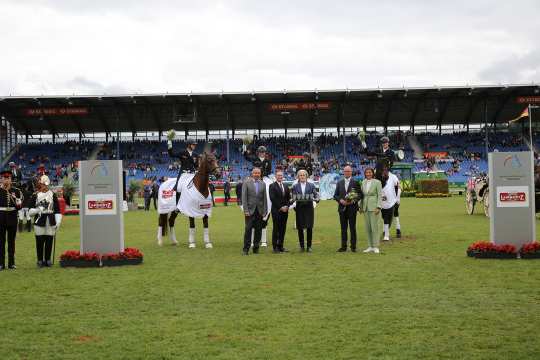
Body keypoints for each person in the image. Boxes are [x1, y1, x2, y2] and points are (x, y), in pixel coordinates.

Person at [28, 175, 62, 267]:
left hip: (50, 219)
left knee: (49, 240)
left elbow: (57, 210)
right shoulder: (35, 195)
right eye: (43, 184)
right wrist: (38, 210)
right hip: (40, 220)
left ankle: (47, 259)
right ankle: (40, 260)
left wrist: (58, 221)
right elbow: (30, 211)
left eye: (46, 185)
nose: (45, 186)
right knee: (39, 241)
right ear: (40, 184)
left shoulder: (52, 194)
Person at [244, 145, 273, 247]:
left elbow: (269, 170)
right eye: (260, 152)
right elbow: (246, 157)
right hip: (255, 177)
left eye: (263, 152)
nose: (262, 153)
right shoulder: (255, 159)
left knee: (271, 186)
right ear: (258, 153)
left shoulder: (268, 161)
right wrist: (246, 150)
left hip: (264, 178)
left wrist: (263, 174)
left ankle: (269, 205)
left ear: (265, 153)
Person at [333, 165, 362, 252]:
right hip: (342, 209)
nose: (347, 173)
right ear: (343, 172)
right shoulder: (339, 182)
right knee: (343, 228)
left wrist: (353, 201)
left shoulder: (356, 182)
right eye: (345, 171)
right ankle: (343, 246)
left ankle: (353, 247)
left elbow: (360, 195)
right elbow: (335, 195)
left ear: (351, 172)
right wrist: (340, 200)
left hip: (352, 208)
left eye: (348, 171)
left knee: (352, 228)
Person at [290, 169, 319, 252]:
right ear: (298, 177)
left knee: (309, 227)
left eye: (303, 175)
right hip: (299, 209)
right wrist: (291, 201)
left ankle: (309, 247)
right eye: (300, 175)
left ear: (306, 176)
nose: (302, 176)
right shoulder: (295, 186)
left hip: (309, 209)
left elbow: (316, 195)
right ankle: (302, 246)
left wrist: (317, 199)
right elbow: (293, 197)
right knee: (300, 228)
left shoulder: (311, 185)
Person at [0, 170, 23, 270]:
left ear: (11, 179)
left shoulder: (16, 191)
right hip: (0, 218)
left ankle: (11, 263)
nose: (6, 180)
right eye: (4, 178)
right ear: (1, 179)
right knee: (1, 241)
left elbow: (19, 206)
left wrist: (16, 200)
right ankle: (1, 263)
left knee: (11, 242)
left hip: (12, 218)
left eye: (8, 178)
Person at [241, 167, 267, 255]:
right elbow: (244, 198)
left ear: (260, 174)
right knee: (248, 230)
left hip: (259, 211)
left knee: (258, 230)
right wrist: (245, 210)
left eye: (258, 173)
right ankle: (246, 249)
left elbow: (264, 199)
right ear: (252, 174)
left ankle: (256, 248)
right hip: (249, 211)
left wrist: (265, 211)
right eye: (255, 173)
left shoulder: (263, 184)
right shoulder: (246, 183)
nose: (256, 174)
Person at [360, 167, 382, 254]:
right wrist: (360, 207)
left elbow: (380, 195)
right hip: (365, 208)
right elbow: (362, 196)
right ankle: (370, 246)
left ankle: (376, 246)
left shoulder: (377, 182)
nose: (368, 174)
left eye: (370, 172)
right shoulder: (363, 182)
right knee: (368, 228)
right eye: (367, 173)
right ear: (365, 174)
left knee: (375, 227)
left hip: (374, 208)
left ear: (372, 173)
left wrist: (378, 207)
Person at [269, 170, 291, 253]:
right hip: (276, 211)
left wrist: (287, 206)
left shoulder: (285, 186)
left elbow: (289, 198)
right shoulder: (272, 186)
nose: (280, 177)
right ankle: (275, 247)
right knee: (276, 229)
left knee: (283, 229)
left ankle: (281, 246)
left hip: (285, 211)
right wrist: (281, 207)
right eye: (278, 175)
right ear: (275, 176)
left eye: (281, 176)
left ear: (283, 176)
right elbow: (272, 198)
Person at [380, 167, 401, 241]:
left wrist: (397, 198)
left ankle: (397, 229)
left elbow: (398, 187)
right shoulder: (380, 177)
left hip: (393, 200)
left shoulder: (393, 177)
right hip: (383, 201)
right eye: (383, 170)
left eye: (386, 170)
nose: (384, 171)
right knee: (384, 216)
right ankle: (386, 230)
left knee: (394, 214)